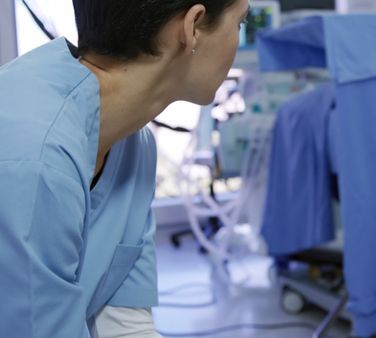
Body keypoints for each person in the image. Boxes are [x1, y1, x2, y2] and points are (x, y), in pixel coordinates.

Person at [0, 0, 248, 336]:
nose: (237, 39)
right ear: (193, 27)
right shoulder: (34, 156)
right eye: (240, 23)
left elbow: (122, 323)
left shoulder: (134, 145)